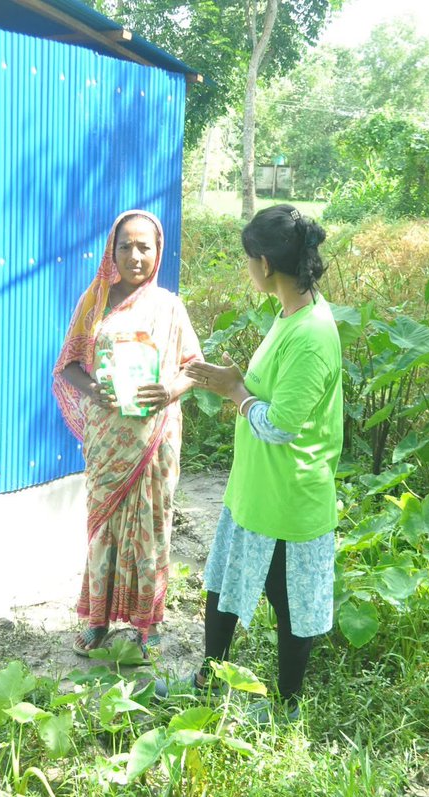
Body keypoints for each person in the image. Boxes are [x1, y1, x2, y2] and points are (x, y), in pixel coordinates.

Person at [165, 204, 342, 721]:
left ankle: (287, 708)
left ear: (264, 264)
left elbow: (281, 424)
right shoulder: (289, 313)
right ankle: (205, 679)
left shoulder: (311, 333)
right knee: (221, 586)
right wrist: (232, 381)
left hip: (290, 496)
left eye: (248, 260)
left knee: (291, 608)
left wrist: (233, 389)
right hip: (256, 490)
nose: (248, 269)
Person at [52, 210, 202, 659]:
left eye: (145, 247)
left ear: (158, 252)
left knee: (152, 530)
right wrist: (94, 390)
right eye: (125, 246)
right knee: (102, 530)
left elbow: (194, 365)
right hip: (107, 439)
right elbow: (69, 365)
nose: (135, 256)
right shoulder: (95, 302)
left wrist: (171, 389)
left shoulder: (170, 307)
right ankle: (96, 621)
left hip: (155, 438)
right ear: (111, 252)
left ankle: (148, 623)